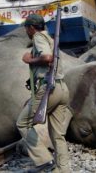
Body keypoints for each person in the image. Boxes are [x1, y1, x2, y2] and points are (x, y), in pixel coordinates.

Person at [16, 14, 73, 173]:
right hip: (62, 88)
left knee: (23, 123)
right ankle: (63, 170)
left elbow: (47, 57)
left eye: (27, 28)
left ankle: (44, 160)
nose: (27, 32)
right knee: (58, 135)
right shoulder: (50, 38)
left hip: (49, 89)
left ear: (31, 28)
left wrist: (29, 60)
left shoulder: (38, 37)